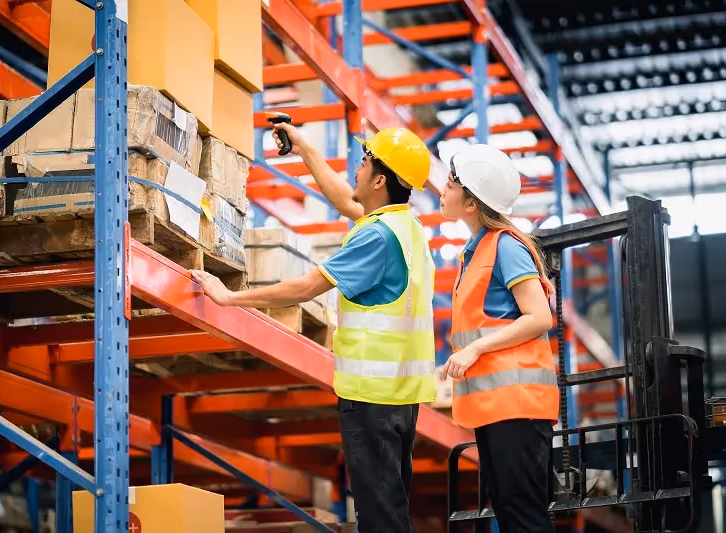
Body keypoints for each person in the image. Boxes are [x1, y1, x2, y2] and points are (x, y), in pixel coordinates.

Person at [191, 124, 436, 533]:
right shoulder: (403, 227)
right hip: (399, 400)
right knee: (388, 508)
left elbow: (305, 287)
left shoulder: (376, 238)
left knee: (380, 519)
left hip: (371, 399)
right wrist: (304, 146)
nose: (356, 169)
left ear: (379, 179)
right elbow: (344, 199)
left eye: (363, 163)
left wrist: (228, 297)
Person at [439, 144, 558, 532]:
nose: (443, 188)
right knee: (511, 514)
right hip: (497, 406)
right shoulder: (476, 252)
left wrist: (475, 348)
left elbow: (540, 316)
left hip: (518, 405)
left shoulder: (506, 246)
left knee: (523, 517)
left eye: (452, 183)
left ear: (472, 204)